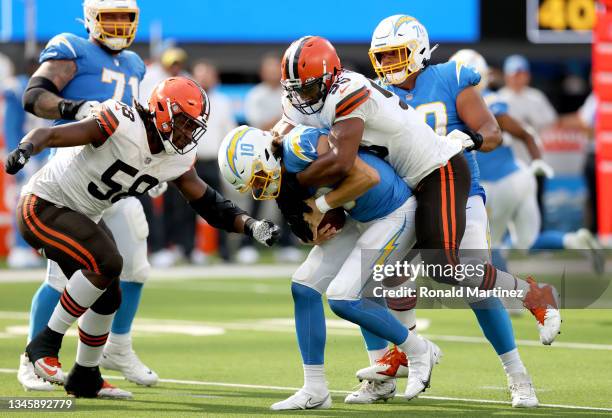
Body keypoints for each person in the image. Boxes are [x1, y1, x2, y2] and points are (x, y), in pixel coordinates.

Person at [275, 30, 556, 408]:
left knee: (451, 269)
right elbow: (282, 133)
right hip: (407, 189)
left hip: (441, 174)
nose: (390, 63)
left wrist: (292, 187)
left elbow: (343, 161)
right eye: (384, 56)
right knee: (376, 279)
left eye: (397, 54)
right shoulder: (332, 93)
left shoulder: (441, 78)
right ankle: (398, 358)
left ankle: (531, 302)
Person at [4, 76, 281, 399]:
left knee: (109, 294)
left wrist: (250, 225)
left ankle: (86, 377)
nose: (186, 134)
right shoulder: (121, 122)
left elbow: (208, 203)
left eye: (193, 128)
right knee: (108, 262)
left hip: (81, 215)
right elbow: (51, 133)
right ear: (162, 111)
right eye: (182, 123)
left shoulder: (174, 158)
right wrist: (26, 148)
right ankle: (42, 346)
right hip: (43, 204)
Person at [219, 124, 433, 410]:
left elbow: (365, 176)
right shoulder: (282, 176)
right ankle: (316, 389)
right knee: (304, 286)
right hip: (360, 218)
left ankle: (418, 350)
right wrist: (313, 230)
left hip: (393, 213)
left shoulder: (299, 145)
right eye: (253, 186)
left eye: (257, 178)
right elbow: (307, 224)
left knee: (343, 297)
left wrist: (321, 205)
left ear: (265, 156)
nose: (260, 187)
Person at [18, 0, 158, 391]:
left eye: (124, 18)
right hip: (74, 168)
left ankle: (116, 346)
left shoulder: (134, 63)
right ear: (91, 18)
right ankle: (33, 357)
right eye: (109, 16)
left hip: (117, 170)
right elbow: (35, 95)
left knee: (134, 266)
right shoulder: (72, 48)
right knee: (66, 277)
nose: (117, 25)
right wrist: (73, 107)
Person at [452, 50, 604, 275]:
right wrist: (536, 159)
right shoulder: (495, 98)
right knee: (526, 241)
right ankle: (573, 239)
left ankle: (508, 299)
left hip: (497, 182)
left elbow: (515, 129)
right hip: (520, 175)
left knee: (490, 243)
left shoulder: (475, 103)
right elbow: (526, 133)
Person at [241, 53, 301, 264]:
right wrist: (282, 121)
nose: (273, 73)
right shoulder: (256, 95)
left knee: (288, 198)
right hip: (262, 156)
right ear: (262, 72)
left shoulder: (289, 93)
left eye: (276, 69)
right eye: (269, 69)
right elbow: (257, 127)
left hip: (286, 154)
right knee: (257, 199)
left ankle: (286, 243)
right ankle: (248, 244)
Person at [499, 54, 558, 228]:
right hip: (511, 162)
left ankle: (538, 238)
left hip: (534, 159)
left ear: (527, 76)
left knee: (536, 201)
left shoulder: (536, 97)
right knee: (511, 202)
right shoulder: (500, 98)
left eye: (521, 74)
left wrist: (527, 124)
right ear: (507, 76)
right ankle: (511, 239)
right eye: (514, 74)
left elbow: (550, 121)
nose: (517, 78)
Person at [2, 58, 49, 269]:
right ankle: (20, 248)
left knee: (48, 204)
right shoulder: (17, 88)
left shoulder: (53, 88)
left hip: (46, 153)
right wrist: (18, 153)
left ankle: (42, 248)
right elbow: (11, 127)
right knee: (23, 200)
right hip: (26, 152)